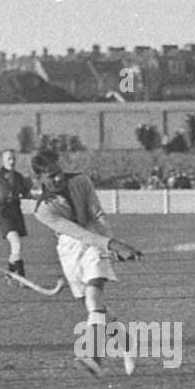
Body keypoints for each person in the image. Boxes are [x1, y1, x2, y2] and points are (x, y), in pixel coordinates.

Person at [29, 148, 142, 377]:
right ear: (39, 179)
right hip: (70, 247)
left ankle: (93, 355)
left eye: (59, 171)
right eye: (51, 176)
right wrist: (112, 245)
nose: (58, 178)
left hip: (94, 238)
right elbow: (76, 233)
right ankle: (127, 343)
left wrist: (110, 243)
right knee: (92, 306)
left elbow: (97, 215)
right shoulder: (43, 210)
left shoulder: (82, 181)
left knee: (94, 295)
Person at [0, 149, 33, 276]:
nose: (12, 161)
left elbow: (26, 193)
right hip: (4, 213)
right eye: (9, 159)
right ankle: (21, 276)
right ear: (3, 160)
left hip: (16, 212)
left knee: (16, 247)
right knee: (16, 244)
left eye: (14, 158)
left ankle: (10, 274)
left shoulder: (19, 177)